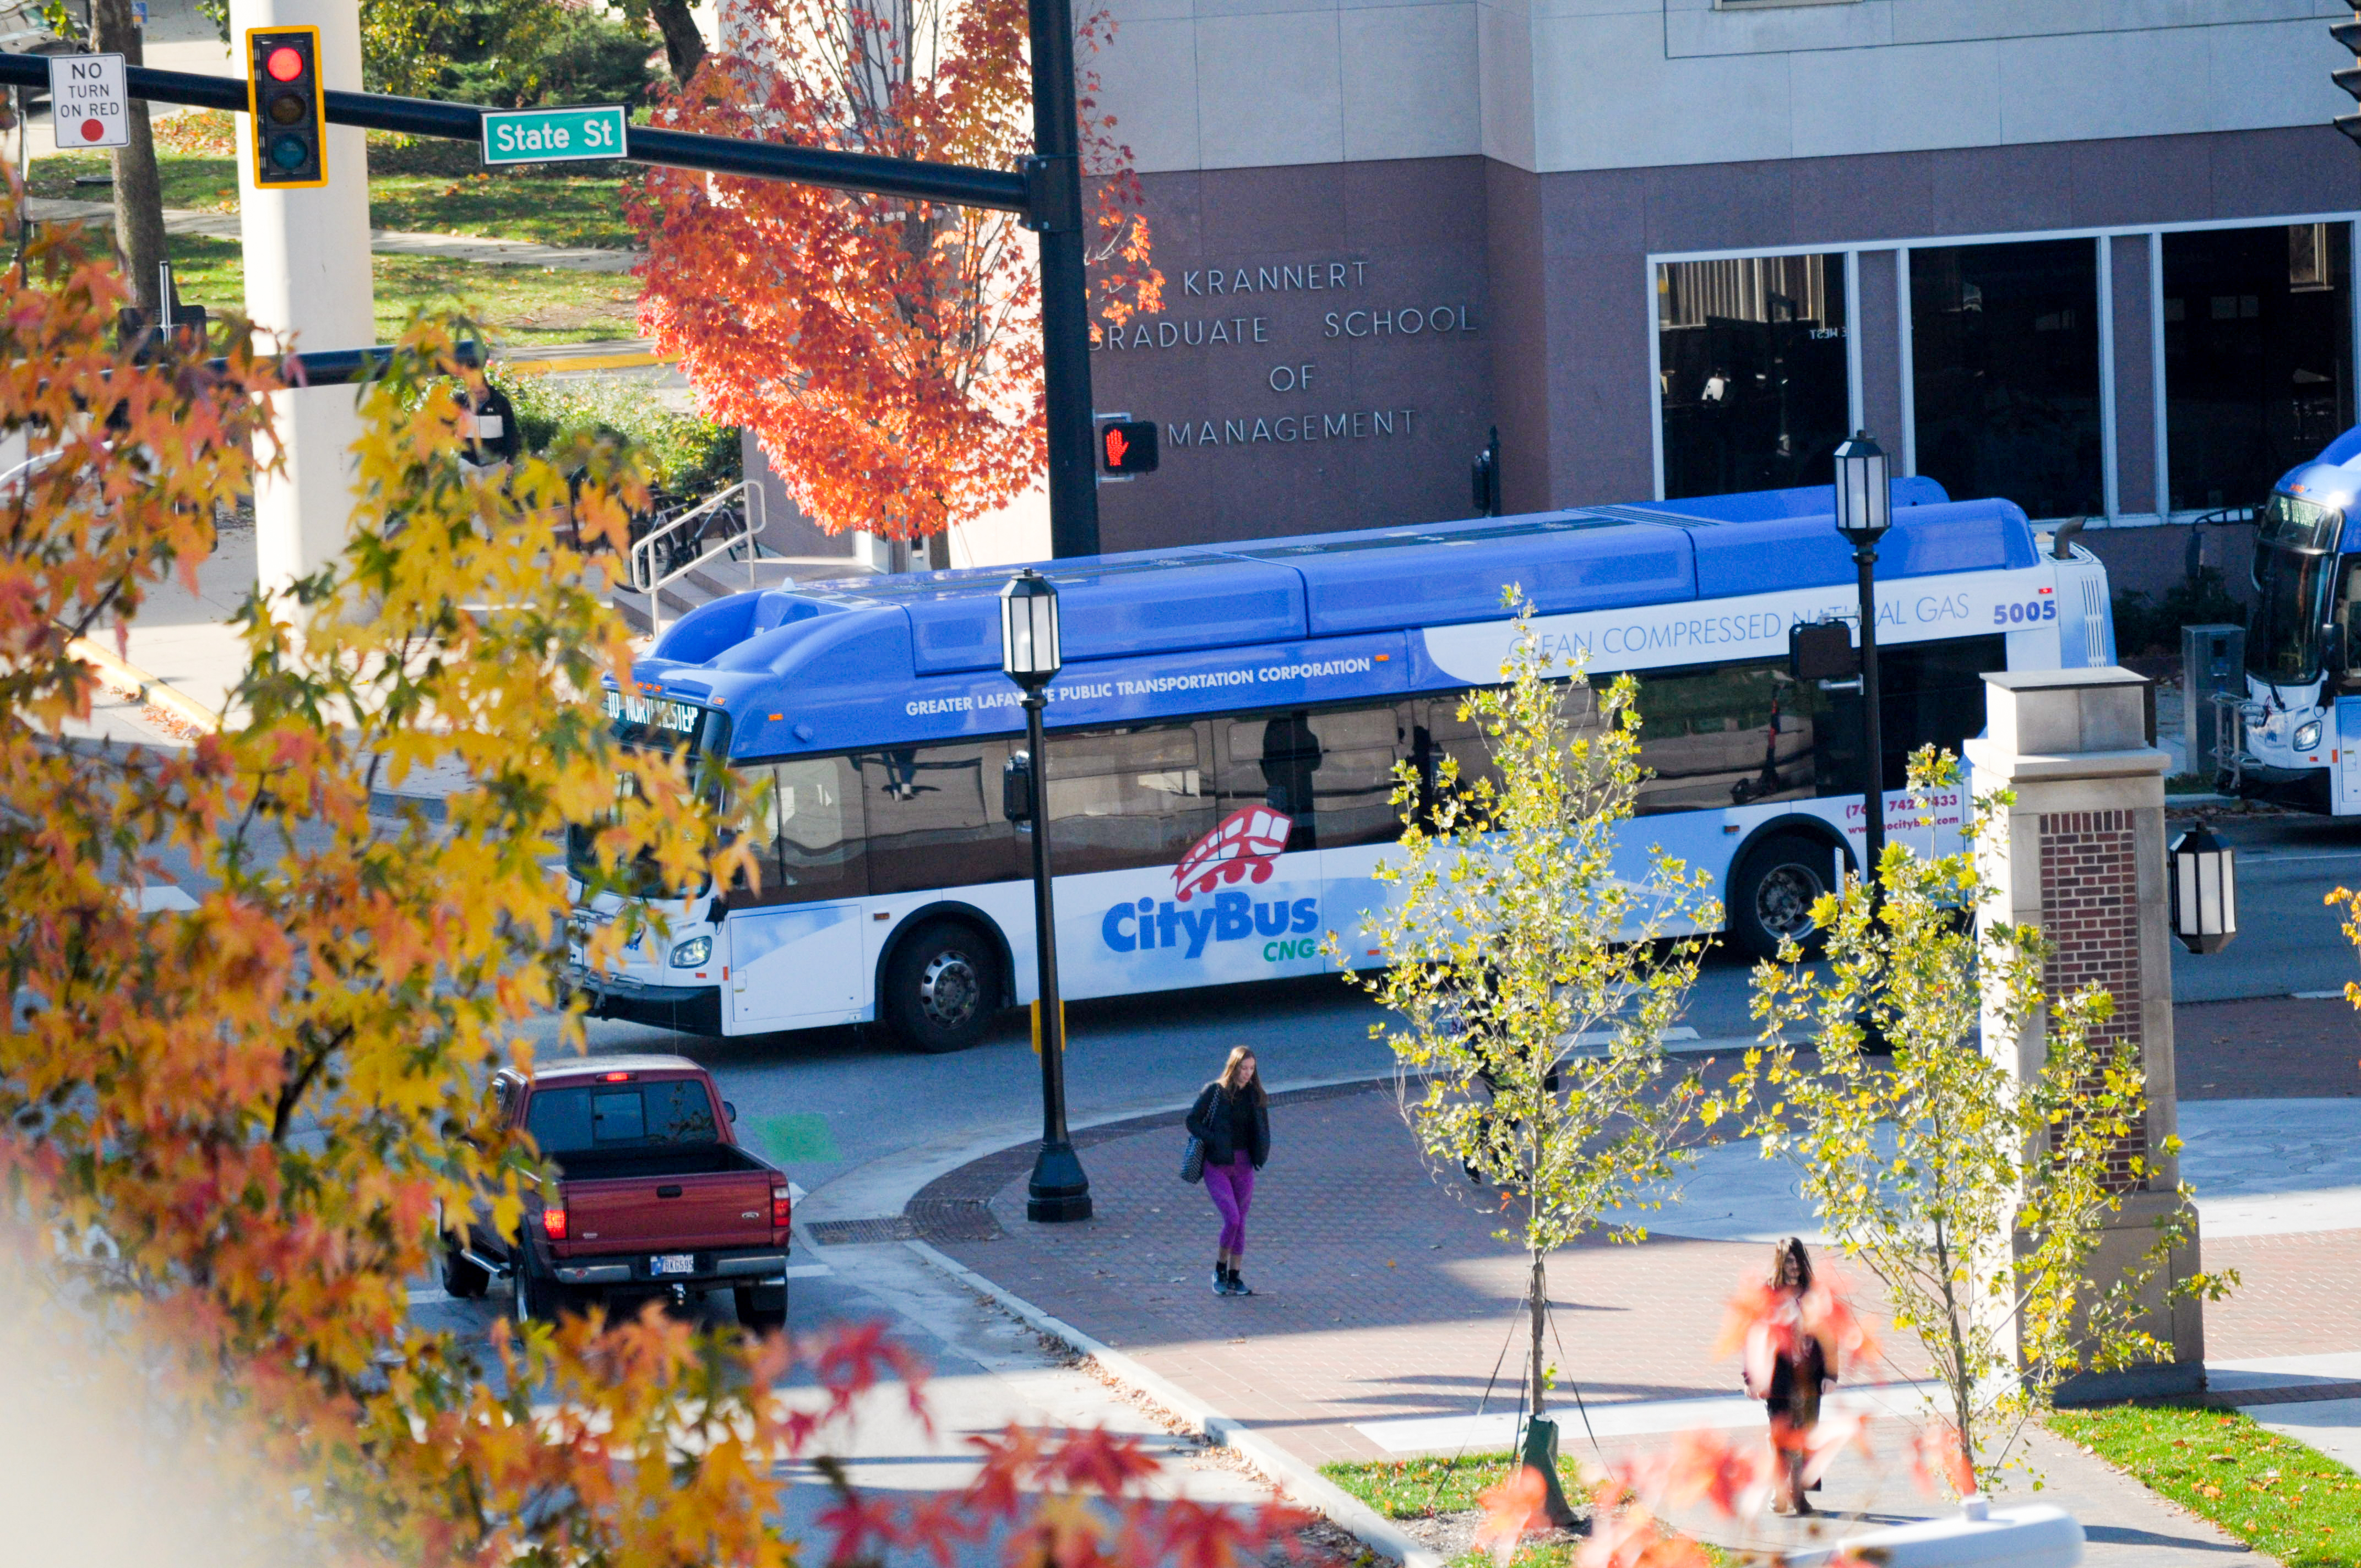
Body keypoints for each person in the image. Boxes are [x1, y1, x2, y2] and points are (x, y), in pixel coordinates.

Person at [1744, 1236, 1836, 1516]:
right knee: (1781, 1437)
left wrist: (1831, 1374)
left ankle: (1798, 1496)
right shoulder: (1768, 1293)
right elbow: (1754, 1337)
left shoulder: (1814, 1293)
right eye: (1789, 1262)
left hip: (1809, 1375)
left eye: (1798, 1261)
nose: (1794, 1268)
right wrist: (1751, 1377)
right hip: (1778, 1377)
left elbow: (1829, 1336)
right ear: (1780, 1262)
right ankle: (1780, 1489)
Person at [1185, 1046, 1270, 1297]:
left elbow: (1263, 1129)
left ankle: (1236, 1277)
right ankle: (1219, 1270)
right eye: (1244, 1068)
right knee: (1232, 1219)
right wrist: (1213, 1140)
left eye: (1252, 1069)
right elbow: (1192, 1120)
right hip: (1218, 1165)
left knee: (1241, 1223)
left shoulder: (1256, 1095)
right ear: (1233, 1067)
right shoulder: (1215, 1092)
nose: (1247, 1073)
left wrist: (1261, 1152)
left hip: (1244, 1164)